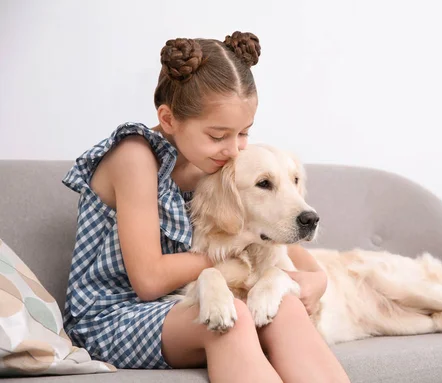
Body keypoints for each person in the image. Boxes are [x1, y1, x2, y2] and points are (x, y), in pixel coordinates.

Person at [61, 31, 351, 383]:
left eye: (243, 133)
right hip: (113, 316)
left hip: (178, 302)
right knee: (234, 320)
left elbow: (277, 240)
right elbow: (149, 281)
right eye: (218, 135)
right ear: (168, 119)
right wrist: (230, 250)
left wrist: (317, 278)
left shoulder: (210, 162)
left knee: (284, 308)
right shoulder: (136, 157)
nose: (233, 149)